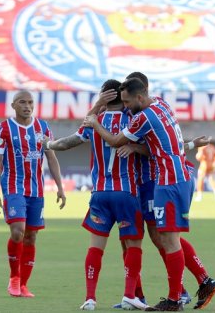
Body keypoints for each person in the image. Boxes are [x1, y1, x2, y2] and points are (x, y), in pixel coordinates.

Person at [83, 77, 215, 311]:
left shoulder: (141, 118)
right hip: (171, 178)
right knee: (161, 238)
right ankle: (180, 289)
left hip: (161, 181)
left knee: (163, 239)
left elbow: (116, 140)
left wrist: (96, 121)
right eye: (122, 101)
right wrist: (189, 145)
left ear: (139, 95)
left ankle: (179, 295)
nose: (125, 106)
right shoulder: (161, 104)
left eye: (128, 101)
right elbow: (168, 142)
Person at [44, 79, 148, 311]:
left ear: (103, 97)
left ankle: (90, 298)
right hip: (126, 193)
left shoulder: (94, 121)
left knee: (96, 247)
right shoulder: (133, 120)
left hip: (100, 193)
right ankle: (129, 295)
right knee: (133, 245)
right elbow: (152, 147)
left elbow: (66, 143)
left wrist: (48, 144)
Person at [0, 90, 66, 298]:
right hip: (13, 187)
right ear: (13, 105)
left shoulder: (43, 128)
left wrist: (59, 187)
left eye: (30, 102)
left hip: (36, 190)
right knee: (18, 231)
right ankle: (14, 278)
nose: (27, 106)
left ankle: (23, 284)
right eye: (22, 102)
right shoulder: (3, 129)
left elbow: (51, 158)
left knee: (31, 236)